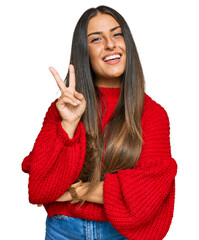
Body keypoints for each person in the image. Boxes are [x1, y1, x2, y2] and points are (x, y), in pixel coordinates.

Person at [22, 5, 177, 240]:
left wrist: (77, 189)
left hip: (120, 234)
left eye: (117, 34)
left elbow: (148, 194)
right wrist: (69, 124)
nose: (111, 44)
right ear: (84, 52)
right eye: (96, 39)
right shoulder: (63, 109)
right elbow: (40, 187)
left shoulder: (153, 115)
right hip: (63, 230)